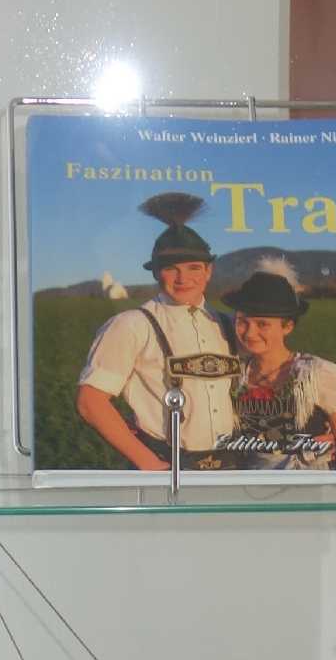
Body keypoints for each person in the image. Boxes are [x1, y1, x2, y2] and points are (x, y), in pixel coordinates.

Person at [74, 192, 238, 468]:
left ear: (208, 271)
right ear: (155, 272)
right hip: (166, 464)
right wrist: (149, 464)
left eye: (194, 267)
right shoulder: (131, 325)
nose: (183, 278)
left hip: (230, 463)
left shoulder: (227, 324)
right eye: (171, 269)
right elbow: (91, 403)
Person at [216, 264, 336, 471]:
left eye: (262, 324)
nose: (250, 333)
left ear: (287, 326)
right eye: (243, 322)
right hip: (252, 483)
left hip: (309, 484)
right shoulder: (236, 374)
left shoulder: (318, 375)